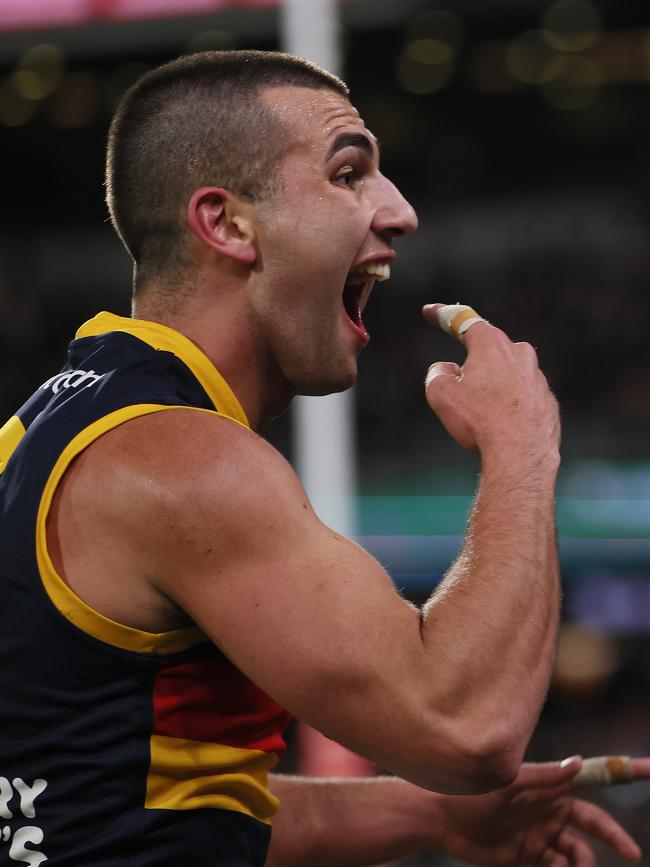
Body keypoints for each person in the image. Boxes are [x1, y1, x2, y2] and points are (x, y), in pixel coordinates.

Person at [0, 49, 646, 866]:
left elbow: (144, 803)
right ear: (227, 223)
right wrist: (523, 445)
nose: (401, 211)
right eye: (348, 174)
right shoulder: (182, 459)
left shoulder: (43, 432)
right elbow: (466, 729)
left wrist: (432, 820)